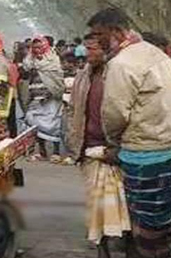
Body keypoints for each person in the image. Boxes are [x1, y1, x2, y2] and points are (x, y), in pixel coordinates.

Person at [88, 8, 171, 258]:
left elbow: (114, 114)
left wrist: (112, 142)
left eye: (99, 35)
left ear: (117, 31)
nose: (95, 41)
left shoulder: (122, 63)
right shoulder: (154, 53)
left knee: (146, 222)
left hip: (143, 150)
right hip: (168, 146)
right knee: (163, 213)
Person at [67, 34, 131, 258]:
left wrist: (119, 148)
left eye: (93, 49)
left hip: (115, 151)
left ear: (106, 50)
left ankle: (125, 247)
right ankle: (103, 251)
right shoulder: (83, 75)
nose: (88, 53)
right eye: (87, 49)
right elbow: (73, 108)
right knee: (98, 209)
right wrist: (74, 139)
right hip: (90, 152)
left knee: (122, 208)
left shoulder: (117, 74)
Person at [23, 35, 66, 163]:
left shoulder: (53, 60)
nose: (37, 50)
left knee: (54, 124)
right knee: (36, 124)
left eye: (39, 47)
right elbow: (26, 75)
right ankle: (42, 151)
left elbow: (57, 79)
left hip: (51, 98)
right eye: (34, 48)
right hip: (35, 97)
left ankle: (56, 152)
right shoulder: (29, 61)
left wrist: (50, 92)